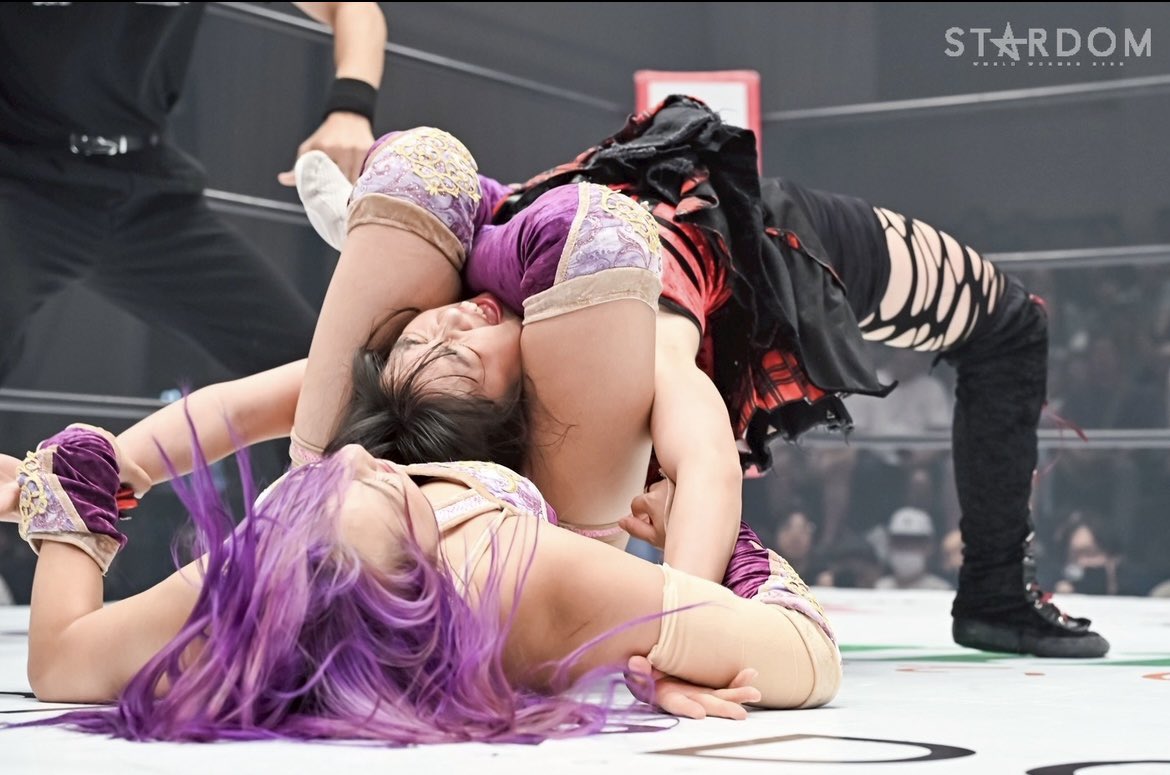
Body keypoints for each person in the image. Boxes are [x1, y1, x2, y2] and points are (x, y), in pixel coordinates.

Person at [294, 97, 1109, 658]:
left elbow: (295, 398)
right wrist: (684, 630)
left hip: (631, 220)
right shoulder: (607, 325)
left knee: (491, 243)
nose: (453, 324)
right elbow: (706, 459)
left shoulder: (489, 288)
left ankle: (996, 588)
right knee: (1012, 324)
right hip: (732, 244)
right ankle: (996, 589)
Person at [0, 420, 840, 743]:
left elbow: (62, 659)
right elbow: (806, 652)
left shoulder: (256, 581)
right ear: (426, 579)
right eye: (385, 487)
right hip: (562, 416)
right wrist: (721, 550)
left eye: (318, 486)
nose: (361, 457)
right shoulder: (525, 574)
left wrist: (70, 476)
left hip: (411, 359)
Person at [0, 2, 387, 382]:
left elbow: (354, 8)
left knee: (319, 374)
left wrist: (350, 109)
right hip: (23, 177)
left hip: (144, 185)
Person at [874, 507, 952, 592]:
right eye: (900, 542)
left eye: (913, 544)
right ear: (890, 545)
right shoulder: (880, 588)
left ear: (929, 547)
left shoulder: (941, 590)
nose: (906, 549)